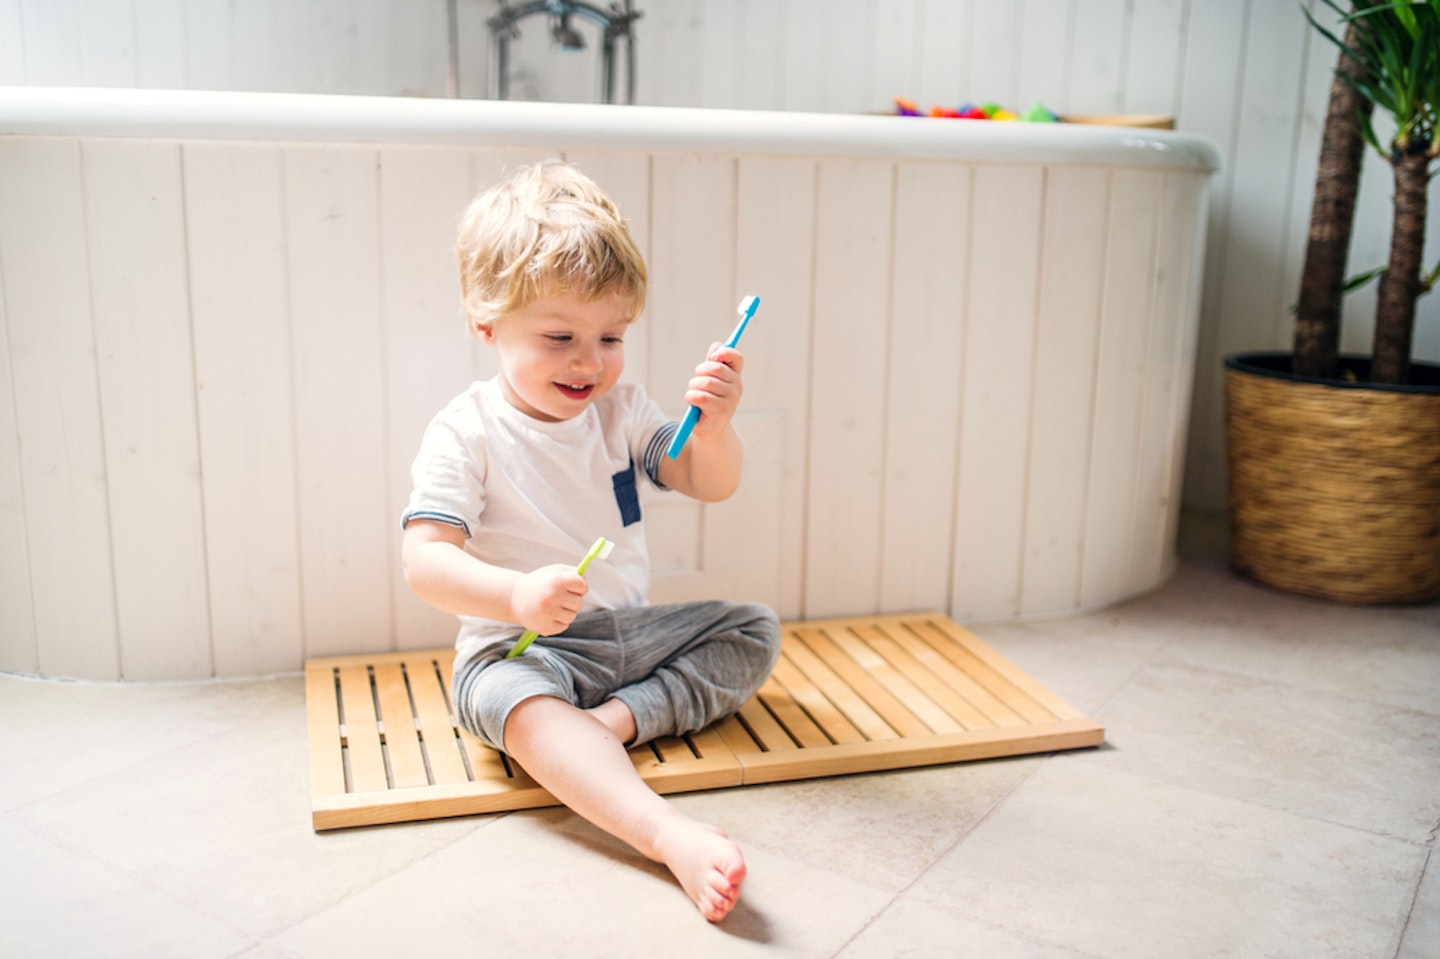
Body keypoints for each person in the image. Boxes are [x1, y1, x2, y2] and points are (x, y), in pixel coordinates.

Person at [400, 159, 781, 923]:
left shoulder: (624, 413)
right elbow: (423, 561)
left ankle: (605, 728)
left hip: (624, 637)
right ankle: (663, 831)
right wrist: (514, 594)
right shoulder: (466, 431)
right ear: (486, 323)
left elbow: (708, 481)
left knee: (752, 630)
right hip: (521, 648)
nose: (589, 360)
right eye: (560, 336)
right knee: (509, 700)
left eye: (611, 336)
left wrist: (720, 426)